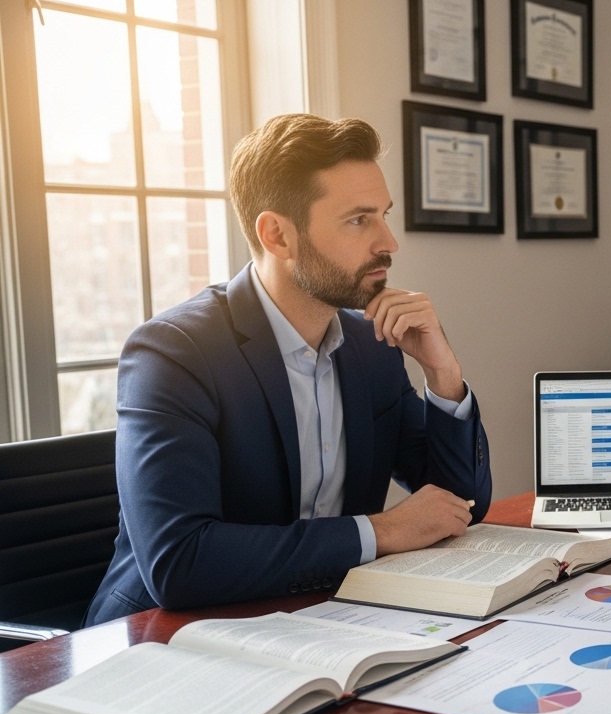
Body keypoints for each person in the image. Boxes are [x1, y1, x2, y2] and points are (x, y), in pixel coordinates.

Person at [85, 114, 492, 625]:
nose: (389, 241)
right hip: (165, 640)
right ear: (277, 235)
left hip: (324, 621)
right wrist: (380, 531)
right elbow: (180, 562)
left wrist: (443, 373)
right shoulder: (173, 354)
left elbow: (461, 507)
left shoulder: (371, 345)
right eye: (358, 219)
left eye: (384, 215)